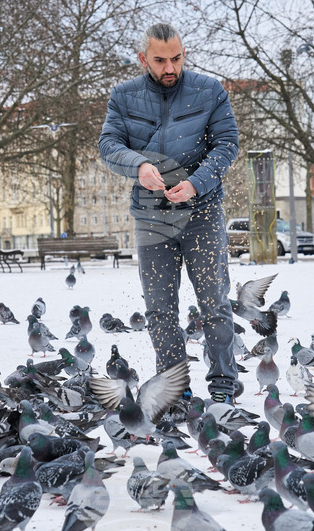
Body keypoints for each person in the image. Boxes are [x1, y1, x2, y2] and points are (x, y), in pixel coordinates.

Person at [99, 22, 240, 403]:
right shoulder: (124, 97)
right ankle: (175, 388)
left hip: (202, 211)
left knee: (214, 303)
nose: (169, 68)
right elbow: (109, 144)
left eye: (176, 58)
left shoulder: (209, 91)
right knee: (160, 310)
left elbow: (227, 143)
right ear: (143, 58)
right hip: (151, 216)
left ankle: (224, 382)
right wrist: (139, 165)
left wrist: (197, 182)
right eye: (160, 61)